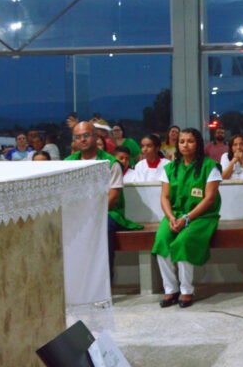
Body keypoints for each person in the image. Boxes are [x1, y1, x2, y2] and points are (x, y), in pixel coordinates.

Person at [152, 128, 222, 308]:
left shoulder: (209, 166)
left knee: (183, 242)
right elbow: (165, 197)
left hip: (202, 217)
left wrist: (187, 219)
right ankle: (170, 289)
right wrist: (170, 218)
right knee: (161, 241)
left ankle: (186, 290)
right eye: (182, 141)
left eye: (190, 141)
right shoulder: (170, 168)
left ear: (198, 143)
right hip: (174, 216)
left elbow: (209, 199)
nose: (185, 145)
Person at [66, 121, 142, 283]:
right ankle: (73, 282)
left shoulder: (110, 163)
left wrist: (92, 215)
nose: (83, 140)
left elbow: (113, 196)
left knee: (103, 228)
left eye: (86, 135)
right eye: (78, 137)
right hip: (78, 212)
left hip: (107, 212)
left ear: (95, 137)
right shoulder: (68, 163)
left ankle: (104, 282)